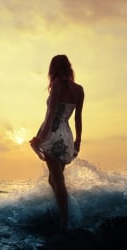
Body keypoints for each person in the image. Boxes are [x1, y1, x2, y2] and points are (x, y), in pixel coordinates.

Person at [29, 54, 84, 230]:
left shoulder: (56, 86)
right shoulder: (79, 89)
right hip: (66, 136)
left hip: (52, 133)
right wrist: (77, 141)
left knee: (58, 181)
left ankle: (65, 221)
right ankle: (64, 214)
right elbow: (78, 119)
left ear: (53, 69)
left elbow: (52, 113)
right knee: (54, 179)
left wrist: (41, 138)